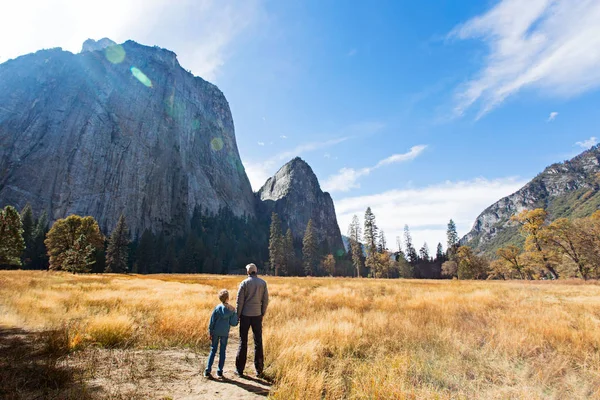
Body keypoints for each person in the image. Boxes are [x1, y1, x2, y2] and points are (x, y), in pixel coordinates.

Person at [235, 263, 269, 377]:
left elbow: (239, 302)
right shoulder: (263, 283)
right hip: (257, 315)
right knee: (258, 342)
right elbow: (265, 300)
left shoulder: (244, 283)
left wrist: (238, 315)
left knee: (243, 341)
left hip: (245, 315)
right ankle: (259, 369)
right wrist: (262, 313)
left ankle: (240, 369)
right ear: (256, 271)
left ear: (248, 272)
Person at [205, 289, 238, 379]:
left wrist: (210, 331)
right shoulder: (230, 309)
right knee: (222, 351)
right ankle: (219, 372)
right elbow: (234, 323)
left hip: (215, 331)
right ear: (227, 298)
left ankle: (208, 370)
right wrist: (234, 313)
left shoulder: (217, 308)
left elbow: (212, 321)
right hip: (224, 333)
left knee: (213, 350)